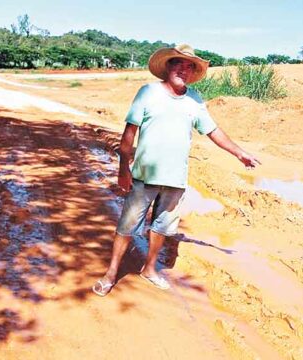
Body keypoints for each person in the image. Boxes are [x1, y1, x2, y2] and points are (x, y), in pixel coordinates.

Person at [92, 44, 261, 296]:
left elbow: (213, 131)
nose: (184, 69)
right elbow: (129, 134)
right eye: (178, 63)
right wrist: (123, 169)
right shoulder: (147, 92)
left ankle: (149, 268)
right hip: (143, 176)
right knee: (127, 227)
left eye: (189, 66)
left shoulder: (195, 99)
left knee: (162, 227)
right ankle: (111, 273)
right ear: (167, 67)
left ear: (193, 73)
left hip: (175, 180)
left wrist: (239, 152)